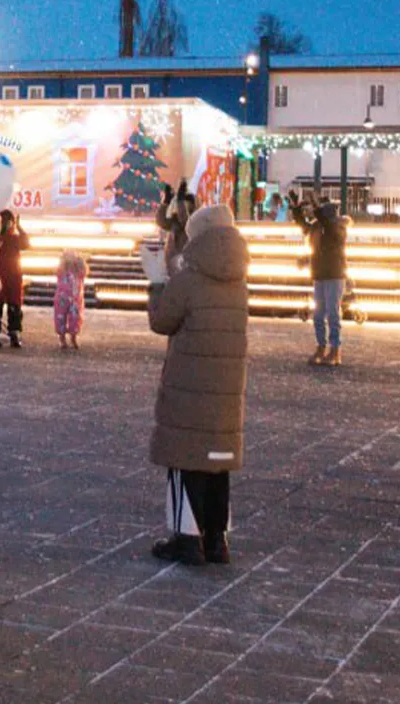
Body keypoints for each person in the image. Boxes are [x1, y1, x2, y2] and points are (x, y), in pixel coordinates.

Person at [148, 203, 249, 567]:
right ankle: (216, 540)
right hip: (227, 387)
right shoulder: (238, 281)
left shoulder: (188, 281)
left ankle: (187, 539)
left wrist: (157, 282)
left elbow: (162, 321)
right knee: (217, 461)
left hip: (189, 386)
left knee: (186, 458)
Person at [289, 190, 349, 366]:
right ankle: (322, 347)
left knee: (332, 313)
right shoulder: (320, 227)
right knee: (319, 315)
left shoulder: (336, 229)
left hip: (334, 274)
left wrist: (315, 207)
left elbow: (325, 226)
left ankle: (335, 349)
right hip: (320, 273)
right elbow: (303, 225)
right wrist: (296, 208)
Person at [0, 209, 31, 349]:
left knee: (11, 306)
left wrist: (20, 228)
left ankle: (10, 333)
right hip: (3, 276)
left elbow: (26, 244)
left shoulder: (11, 238)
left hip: (10, 277)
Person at [156, 180, 196, 275]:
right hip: (172, 262)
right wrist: (166, 202)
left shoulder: (194, 221)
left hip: (185, 264)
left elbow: (185, 221)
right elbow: (161, 221)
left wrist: (180, 201)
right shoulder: (174, 221)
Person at [53, 250, 87, 350]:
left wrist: (80, 262)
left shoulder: (79, 271)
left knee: (75, 318)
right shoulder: (62, 269)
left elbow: (84, 271)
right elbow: (57, 271)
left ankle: (73, 337)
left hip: (75, 298)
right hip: (62, 298)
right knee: (60, 317)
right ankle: (62, 337)